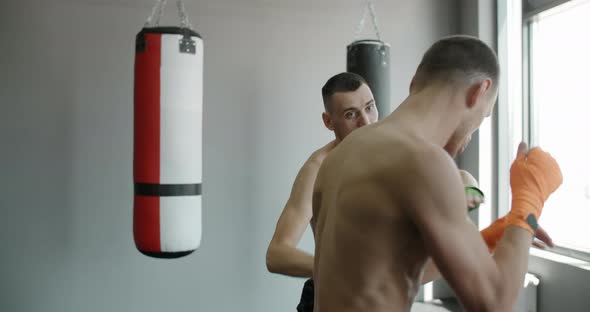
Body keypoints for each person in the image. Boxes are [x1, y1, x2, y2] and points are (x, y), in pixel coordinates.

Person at [311, 35, 563, 312]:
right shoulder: (423, 161)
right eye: (484, 115)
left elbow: (388, 271)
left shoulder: (341, 155)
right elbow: (493, 303)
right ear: (478, 92)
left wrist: (490, 237)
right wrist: (529, 199)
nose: (473, 130)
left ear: (414, 82)